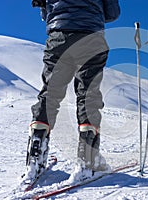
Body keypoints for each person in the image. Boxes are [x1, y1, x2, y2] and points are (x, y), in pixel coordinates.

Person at [23, 0, 120, 183]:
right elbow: (112, 13)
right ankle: (87, 161)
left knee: (50, 94)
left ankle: (35, 156)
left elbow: (46, 14)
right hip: (91, 36)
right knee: (88, 95)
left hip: (59, 37)